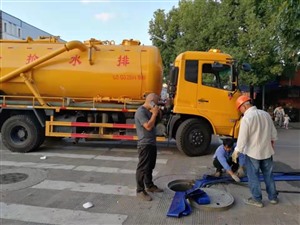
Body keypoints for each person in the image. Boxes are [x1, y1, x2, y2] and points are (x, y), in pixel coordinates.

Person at [232, 95, 278, 208]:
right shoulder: (265, 114)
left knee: (253, 176)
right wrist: (271, 143)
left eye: (240, 109)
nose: (240, 112)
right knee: (268, 175)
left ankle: (257, 199)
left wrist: (236, 151)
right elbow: (273, 134)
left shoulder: (247, 118)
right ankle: (273, 198)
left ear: (243, 106)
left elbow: (242, 138)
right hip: (267, 152)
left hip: (253, 153)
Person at [134, 93, 163, 201]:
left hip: (151, 143)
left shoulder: (149, 111)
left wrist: (158, 113)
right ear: (150, 101)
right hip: (144, 144)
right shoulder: (140, 111)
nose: (155, 105)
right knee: (142, 168)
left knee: (150, 166)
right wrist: (154, 114)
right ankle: (140, 190)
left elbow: (156, 123)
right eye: (155, 102)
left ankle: (149, 185)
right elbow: (148, 126)